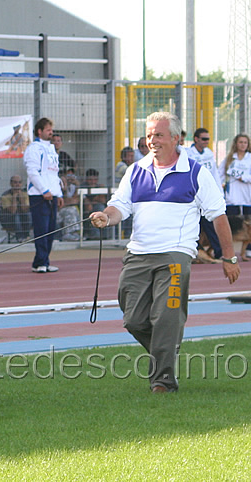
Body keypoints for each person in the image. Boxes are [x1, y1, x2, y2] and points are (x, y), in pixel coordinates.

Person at [90, 111, 240, 394]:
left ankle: (163, 382)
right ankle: (166, 352)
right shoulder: (136, 170)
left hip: (176, 254)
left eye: (158, 135)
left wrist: (229, 257)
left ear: (175, 138)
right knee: (133, 320)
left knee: (167, 316)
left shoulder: (196, 172)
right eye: (149, 135)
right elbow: (119, 206)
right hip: (138, 253)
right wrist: (105, 217)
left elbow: (218, 216)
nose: (152, 140)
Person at [24, 117, 63, 273]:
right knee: (42, 229)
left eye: (51, 130)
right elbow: (33, 172)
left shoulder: (51, 150)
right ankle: (41, 262)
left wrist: (58, 194)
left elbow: (54, 174)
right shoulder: (34, 148)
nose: (51, 132)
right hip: (39, 196)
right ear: (40, 131)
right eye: (48, 130)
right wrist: (44, 190)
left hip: (51, 195)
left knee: (51, 230)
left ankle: (43, 261)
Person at [187, 128, 224, 259]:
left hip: (206, 195)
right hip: (193, 195)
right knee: (193, 225)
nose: (206, 142)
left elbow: (214, 173)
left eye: (208, 139)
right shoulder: (188, 153)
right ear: (196, 139)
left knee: (210, 224)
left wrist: (219, 191)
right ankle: (194, 253)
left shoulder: (208, 153)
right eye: (204, 139)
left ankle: (219, 252)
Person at [223, 133, 251, 217]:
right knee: (233, 222)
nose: (243, 145)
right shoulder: (229, 158)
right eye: (240, 142)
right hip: (232, 197)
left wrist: (243, 178)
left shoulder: (249, 158)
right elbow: (220, 174)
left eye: (245, 142)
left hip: (247, 195)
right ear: (236, 144)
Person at [0, 174, 31, 241]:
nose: (17, 184)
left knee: (28, 214)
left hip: (23, 219)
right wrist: (14, 197)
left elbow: (25, 210)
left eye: (19, 182)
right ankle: (20, 237)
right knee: (16, 215)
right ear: (11, 183)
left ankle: (26, 235)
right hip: (8, 220)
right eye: (15, 182)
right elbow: (12, 211)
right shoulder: (5, 196)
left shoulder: (25, 194)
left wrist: (21, 198)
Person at [81, 168, 108, 240]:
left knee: (101, 208)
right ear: (86, 179)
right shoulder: (82, 187)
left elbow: (102, 200)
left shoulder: (100, 187)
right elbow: (87, 206)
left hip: (96, 210)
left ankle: (103, 236)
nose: (93, 182)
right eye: (90, 180)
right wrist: (94, 199)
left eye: (95, 180)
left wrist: (91, 201)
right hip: (84, 212)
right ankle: (95, 236)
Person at [56, 168, 80, 242]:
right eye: (68, 176)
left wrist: (77, 187)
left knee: (73, 209)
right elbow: (61, 204)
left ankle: (74, 233)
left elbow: (76, 200)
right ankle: (67, 233)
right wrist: (64, 189)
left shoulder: (73, 187)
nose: (69, 178)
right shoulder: (56, 187)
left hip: (67, 210)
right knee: (71, 210)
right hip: (56, 213)